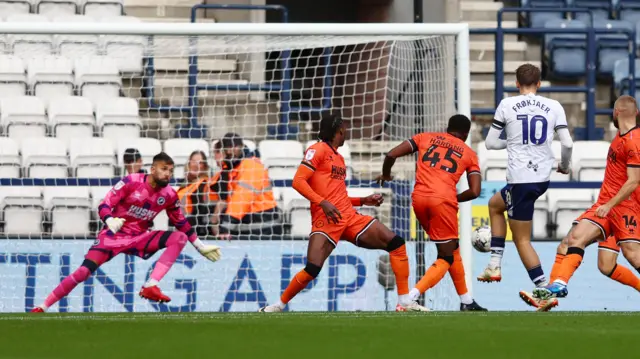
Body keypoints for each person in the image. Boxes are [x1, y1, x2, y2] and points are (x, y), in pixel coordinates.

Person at [260, 113, 428, 312]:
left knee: (396, 243)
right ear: (339, 130)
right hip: (326, 220)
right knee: (312, 268)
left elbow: (337, 195)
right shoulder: (317, 149)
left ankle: (404, 302)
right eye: (345, 128)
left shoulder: (339, 158)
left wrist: (363, 201)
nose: (346, 131)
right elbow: (298, 181)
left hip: (348, 217)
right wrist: (322, 203)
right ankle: (279, 305)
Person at [30, 152, 222, 312]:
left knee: (178, 238)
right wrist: (109, 220)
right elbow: (104, 204)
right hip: (113, 236)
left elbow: (181, 223)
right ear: (152, 169)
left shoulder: (169, 195)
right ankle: (42, 306)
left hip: (139, 237)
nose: (168, 174)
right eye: (164, 169)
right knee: (83, 272)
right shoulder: (131, 182)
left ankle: (150, 285)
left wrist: (200, 246)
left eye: (171, 171)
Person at [531, 95, 640, 302]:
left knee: (632, 255)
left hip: (625, 208)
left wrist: (609, 204)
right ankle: (554, 291)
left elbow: (634, 181)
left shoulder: (635, 142)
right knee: (571, 240)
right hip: (605, 207)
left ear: (616, 113)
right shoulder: (622, 136)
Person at [477, 64, 573, 295]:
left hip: (521, 179)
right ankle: (494, 264)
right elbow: (568, 143)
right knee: (494, 204)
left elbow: (490, 143)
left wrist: (512, 142)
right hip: (540, 178)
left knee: (521, 240)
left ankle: (543, 290)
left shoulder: (507, 104)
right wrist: (564, 165)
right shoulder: (554, 106)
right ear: (539, 84)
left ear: (517, 83)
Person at [376, 114, 487, 311]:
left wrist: (386, 174)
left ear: (447, 128)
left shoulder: (424, 137)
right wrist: (455, 198)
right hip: (442, 201)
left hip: (418, 200)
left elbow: (391, 154)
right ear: (466, 133)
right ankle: (410, 297)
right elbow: (475, 191)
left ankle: (466, 301)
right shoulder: (469, 153)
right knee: (446, 257)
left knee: (451, 248)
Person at [210, 133, 282, 236]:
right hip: (251, 228)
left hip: (263, 230)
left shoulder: (252, 166)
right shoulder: (232, 170)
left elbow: (242, 199)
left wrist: (225, 227)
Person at [176, 150, 217, 237]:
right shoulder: (185, 184)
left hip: (192, 232)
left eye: (200, 162)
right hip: (180, 229)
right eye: (193, 161)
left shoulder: (204, 184)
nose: (195, 165)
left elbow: (201, 213)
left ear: (205, 166)